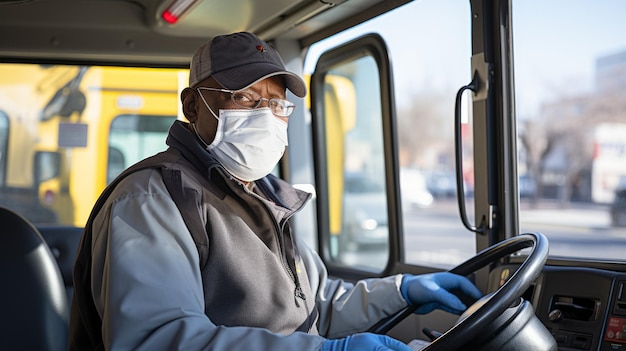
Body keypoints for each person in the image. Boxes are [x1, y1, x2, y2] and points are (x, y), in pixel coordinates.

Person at [68, 31, 482, 351]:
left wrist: (401, 290)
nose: (266, 117)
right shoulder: (152, 198)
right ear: (192, 105)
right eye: (244, 98)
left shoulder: (263, 194)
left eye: (277, 105)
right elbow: (161, 339)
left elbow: (314, 303)